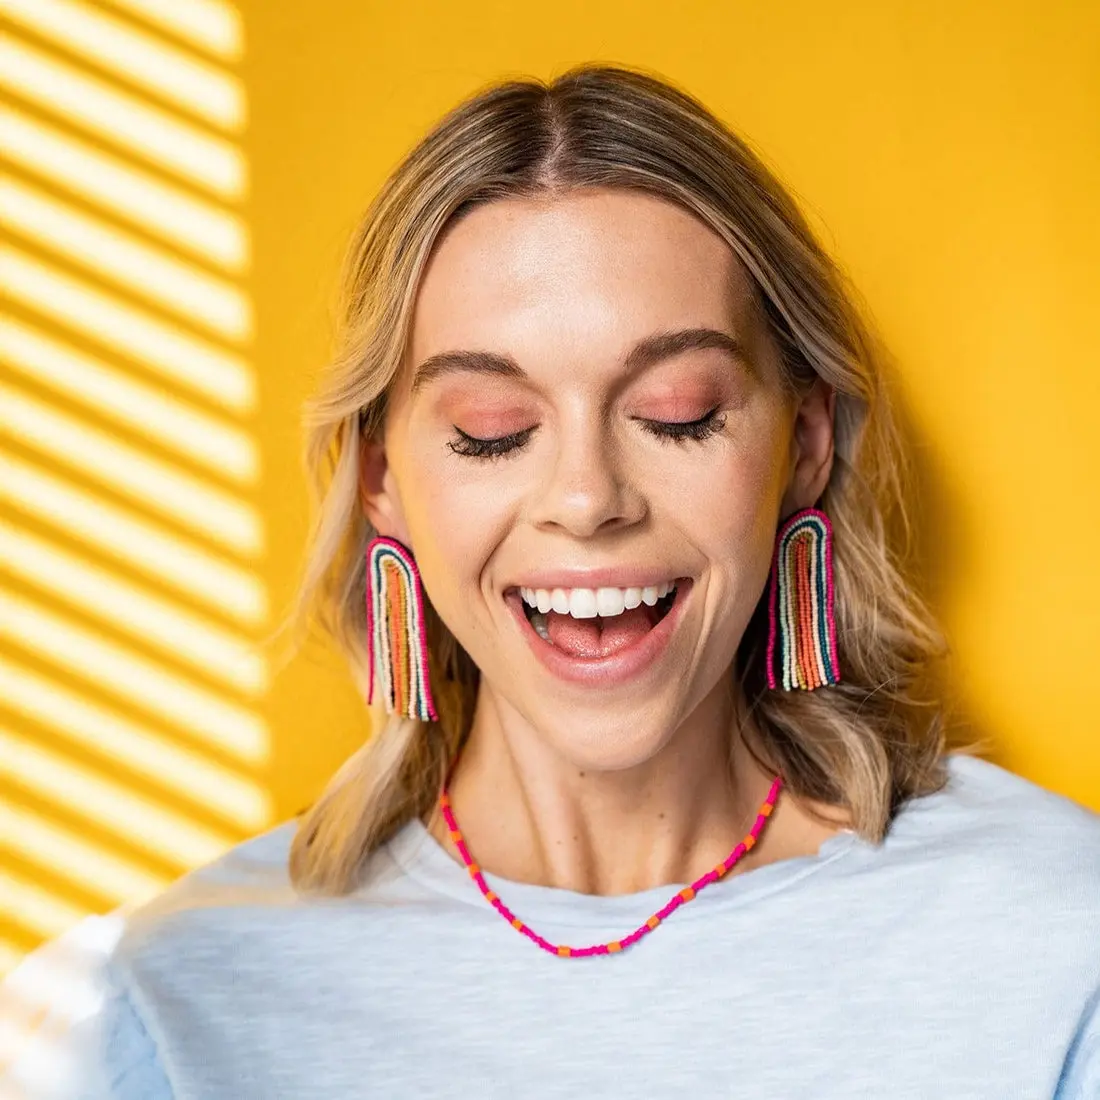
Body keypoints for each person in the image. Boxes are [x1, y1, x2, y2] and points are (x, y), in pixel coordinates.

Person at [73, 63, 1099, 1098]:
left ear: (803, 444)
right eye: (491, 430)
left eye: (676, 413)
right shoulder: (174, 1004)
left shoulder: (1056, 939)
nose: (585, 496)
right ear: (380, 477)